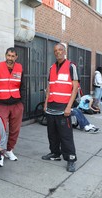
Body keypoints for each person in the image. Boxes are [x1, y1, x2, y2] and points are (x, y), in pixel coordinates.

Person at [42, 43, 79, 172]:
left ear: (64, 51)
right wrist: (46, 102)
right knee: (52, 134)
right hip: (51, 106)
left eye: (60, 50)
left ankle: (70, 159)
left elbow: (75, 88)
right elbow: (50, 87)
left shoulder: (71, 66)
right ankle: (55, 153)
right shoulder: (52, 67)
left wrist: (69, 107)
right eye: (55, 50)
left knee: (66, 135)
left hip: (64, 108)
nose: (57, 52)